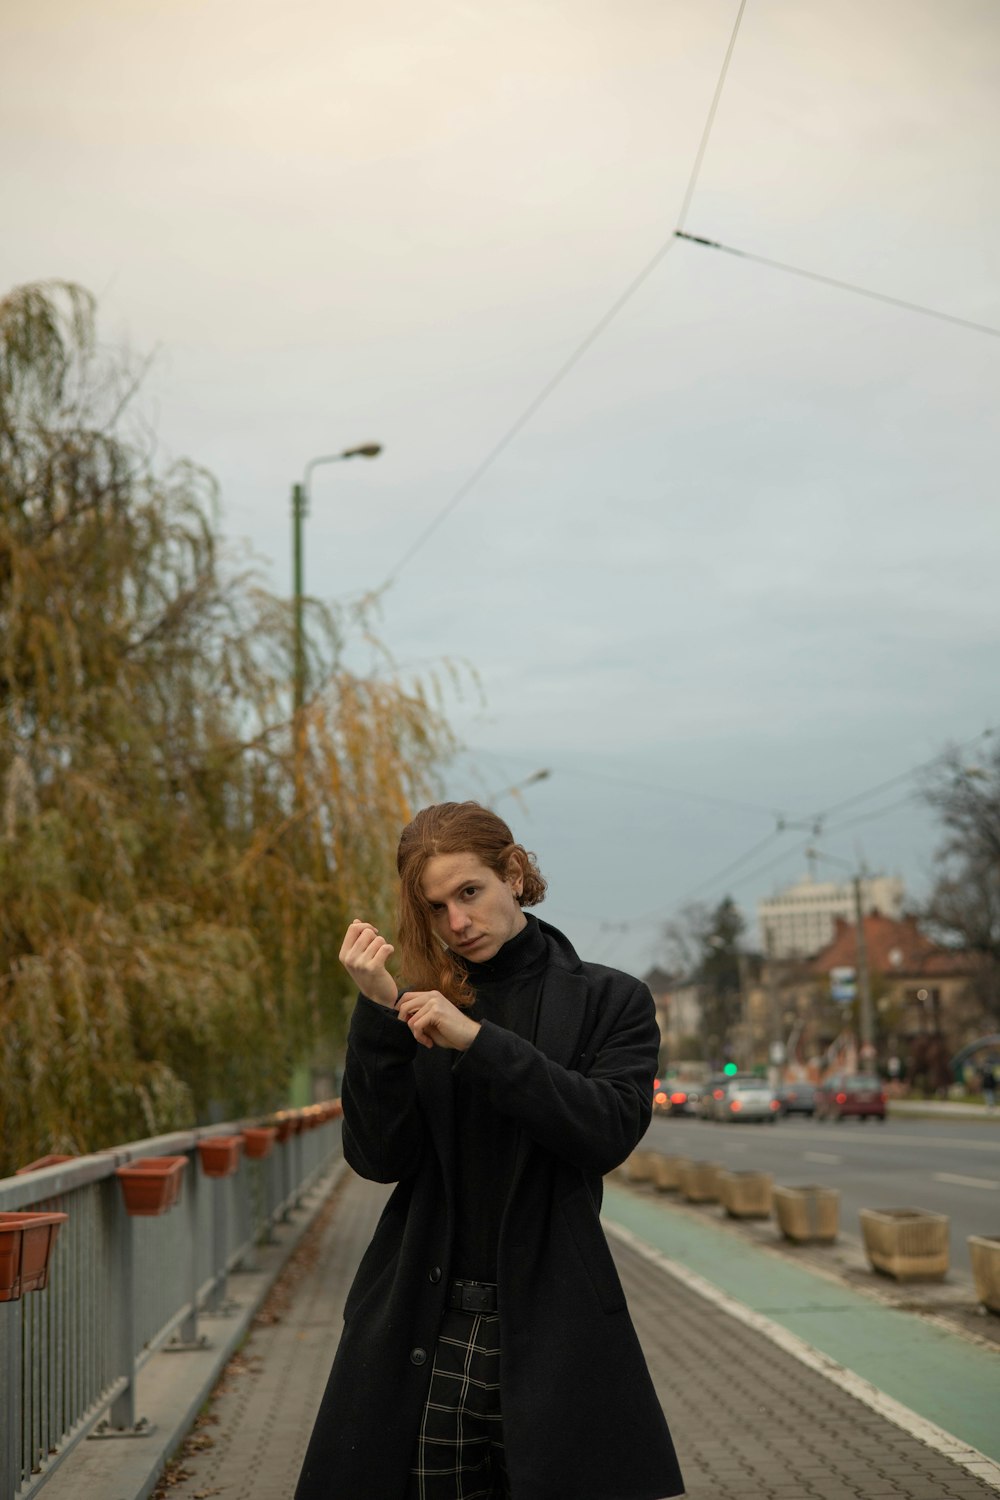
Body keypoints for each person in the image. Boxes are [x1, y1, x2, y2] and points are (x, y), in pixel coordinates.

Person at [295, 801, 684, 1500]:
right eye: (436, 907)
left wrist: (477, 1043)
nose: (457, 924)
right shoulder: (417, 1004)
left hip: (556, 1325)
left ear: (513, 872)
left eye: (469, 893)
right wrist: (380, 1011)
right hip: (423, 1320)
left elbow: (603, 1132)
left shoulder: (610, 1001)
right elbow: (378, 1158)